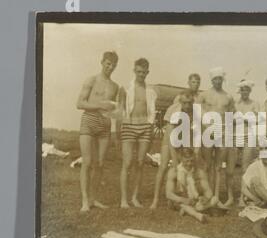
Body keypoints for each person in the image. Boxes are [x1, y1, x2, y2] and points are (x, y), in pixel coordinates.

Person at [76, 51, 119, 212]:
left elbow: (113, 109)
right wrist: (100, 105)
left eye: (114, 65)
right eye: (108, 64)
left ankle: (93, 199)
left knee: (100, 164)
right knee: (87, 163)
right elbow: (79, 103)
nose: (110, 67)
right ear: (102, 62)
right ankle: (85, 201)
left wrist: (114, 111)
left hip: (105, 125)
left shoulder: (115, 86)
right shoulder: (91, 80)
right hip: (89, 121)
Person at [118, 58, 157, 208]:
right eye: (138, 71)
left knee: (140, 163)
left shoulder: (151, 91)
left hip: (145, 127)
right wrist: (118, 129)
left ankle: (134, 197)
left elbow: (152, 112)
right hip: (129, 125)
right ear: (134, 71)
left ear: (147, 72)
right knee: (127, 162)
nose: (141, 74)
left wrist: (151, 128)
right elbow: (120, 110)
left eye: (144, 72)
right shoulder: (126, 88)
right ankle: (123, 200)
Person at [150, 90, 196, 209]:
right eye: (185, 103)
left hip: (182, 142)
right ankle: (155, 199)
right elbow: (171, 137)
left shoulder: (193, 112)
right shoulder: (174, 110)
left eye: (189, 103)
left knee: (181, 170)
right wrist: (174, 159)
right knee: (164, 167)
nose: (187, 105)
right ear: (181, 101)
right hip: (169, 142)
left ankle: (174, 199)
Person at [197, 67, 235, 207]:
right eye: (215, 79)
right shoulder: (204, 95)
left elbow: (231, 115)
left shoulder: (228, 97)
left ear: (222, 80)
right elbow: (198, 111)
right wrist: (206, 126)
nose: (217, 81)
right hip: (208, 131)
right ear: (211, 80)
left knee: (218, 167)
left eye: (220, 79)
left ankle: (216, 196)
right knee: (207, 165)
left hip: (222, 132)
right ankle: (207, 194)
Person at [165, 148, 217, 222]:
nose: (189, 164)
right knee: (181, 204)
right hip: (178, 200)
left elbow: (208, 191)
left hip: (194, 200)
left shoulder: (199, 172)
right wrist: (183, 200)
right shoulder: (174, 171)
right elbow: (168, 194)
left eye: (191, 161)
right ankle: (198, 215)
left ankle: (191, 210)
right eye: (187, 161)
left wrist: (205, 198)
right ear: (181, 159)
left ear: (194, 159)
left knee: (214, 199)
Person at [234, 79, 260, 206]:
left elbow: (256, 120)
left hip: (249, 136)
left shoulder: (255, 103)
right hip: (236, 136)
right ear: (240, 91)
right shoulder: (236, 104)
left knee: (245, 168)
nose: (244, 92)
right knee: (230, 168)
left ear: (250, 90)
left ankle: (242, 197)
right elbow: (231, 120)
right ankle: (232, 195)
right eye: (242, 89)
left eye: (247, 89)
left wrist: (242, 118)